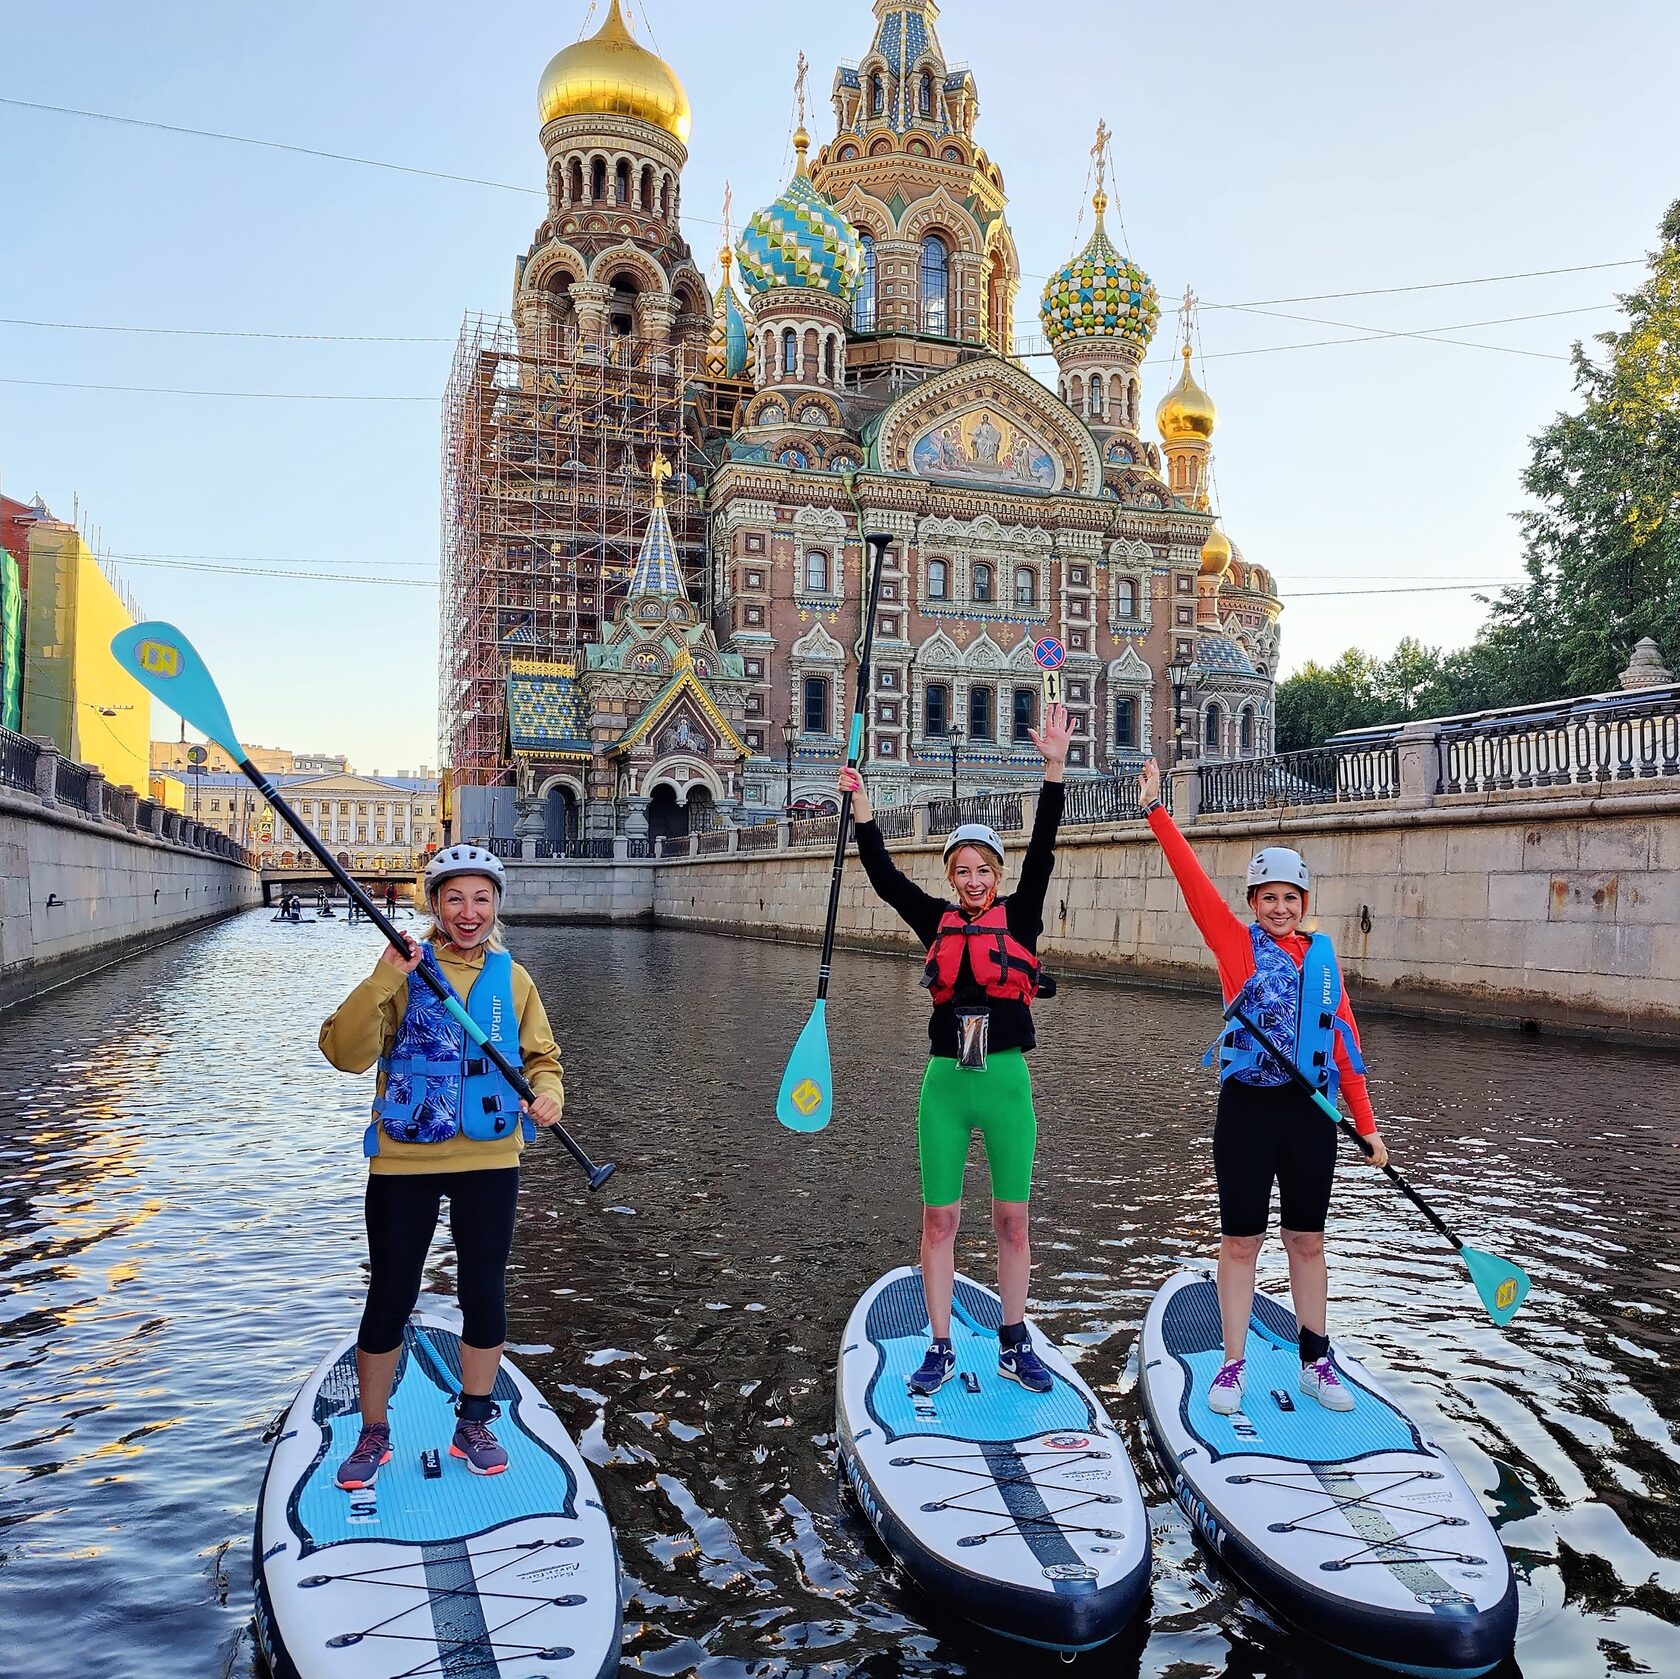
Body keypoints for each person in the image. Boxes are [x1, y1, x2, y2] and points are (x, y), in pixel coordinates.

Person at [1137, 759, 1388, 1415]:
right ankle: (1231, 1363)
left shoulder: (1324, 962)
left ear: (1305, 905)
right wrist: (1158, 811)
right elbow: (1193, 885)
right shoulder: (1235, 944)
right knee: (1241, 1239)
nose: (1279, 907)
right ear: (1252, 904)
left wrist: (1366, 1122)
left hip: (1310, 1114)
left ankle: (1315, 1360)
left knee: (1307, 1239)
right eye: (1267, 897)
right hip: (1247, 1108)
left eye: (1290, 898)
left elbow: (1346, 1048)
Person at [839, 702, 1073, 1399]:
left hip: (1004, 1083)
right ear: (951, 876)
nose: (972, 879)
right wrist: (863, 807)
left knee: (1011, 1219)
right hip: (945, 1082)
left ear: (996, 876)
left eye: (982, 869)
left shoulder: (1022, 918)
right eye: (962, 869)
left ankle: (1011, 1340)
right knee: (938, 1218)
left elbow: (1049, 840)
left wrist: (1054, 765)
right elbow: (884, 877)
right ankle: (939, 1344)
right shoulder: (935, 919)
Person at [319, 844, 566, 1488]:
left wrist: (550, 1096)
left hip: (490, 1156)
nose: (468, 911)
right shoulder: (404, 970)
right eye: (454, 897)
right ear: (434, 904)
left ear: (495, 908)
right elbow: (343, 1054)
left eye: (481, 898)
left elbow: (542, 1059)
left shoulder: (512, 979)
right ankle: (373, 1433)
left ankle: (474, 1420)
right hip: (405, 1160)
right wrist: (382, 977)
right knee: (391, 1295)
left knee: (483, 1290)